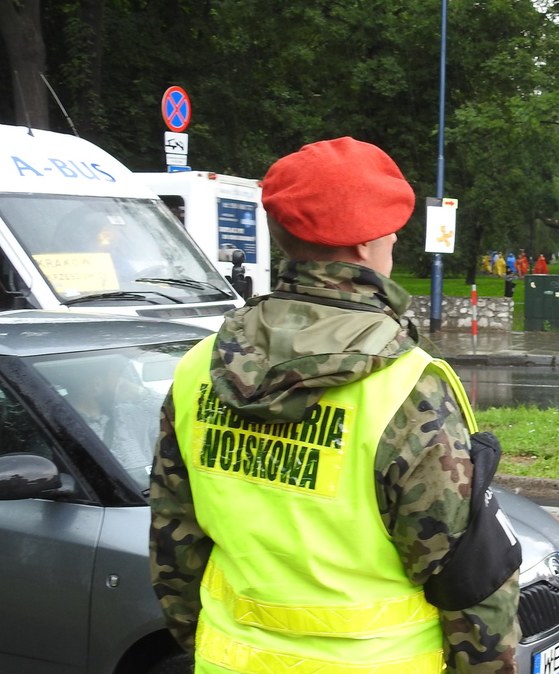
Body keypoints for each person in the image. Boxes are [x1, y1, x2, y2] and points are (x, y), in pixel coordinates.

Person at [148, 137, 521, 674]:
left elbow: (173, 548)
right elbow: (468, 577)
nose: (393, 241)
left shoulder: (198, 369)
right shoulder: (409, 384)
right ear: (368, 246)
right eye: (391, 232)